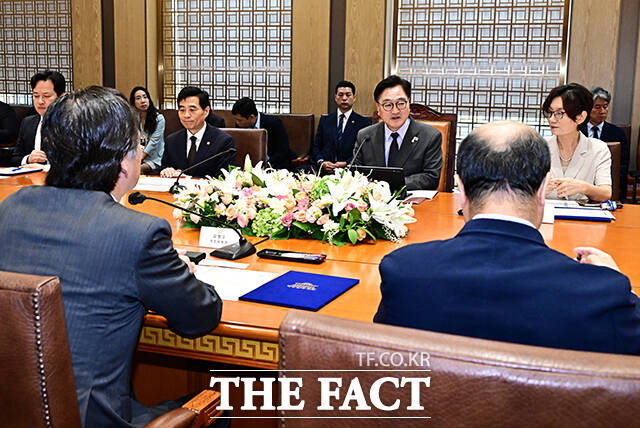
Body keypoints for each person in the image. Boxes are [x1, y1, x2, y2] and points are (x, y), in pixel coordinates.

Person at [0, 86, 224, 427]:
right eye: (138, 143)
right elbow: (200, 317)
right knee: (223, 405)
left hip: (12, 411)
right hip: (93, 419)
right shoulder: (138, 233)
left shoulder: (10, 208)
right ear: (123, 159)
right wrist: (183, 273)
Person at [374, 121, 640, 355]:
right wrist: (623, 289)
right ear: (543, 190)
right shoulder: (598, 292)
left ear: (461, 189)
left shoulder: (403, 270)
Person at [352, 75, 443, 190]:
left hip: (412, 199)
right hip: (374, 199)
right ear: (378, 108)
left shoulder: (430, 136)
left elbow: (431, 177)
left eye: (401, 103)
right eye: (388, 105)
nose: (395, 111)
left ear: (409, 103)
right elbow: (356, 173)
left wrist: (388, 186)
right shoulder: (365, 136)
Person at [543, 83, 612, 202]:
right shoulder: (538, 147)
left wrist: (583, 187)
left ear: (580, 117)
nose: (551, 119)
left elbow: (606, 193)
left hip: (582, 212)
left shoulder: (598, 149)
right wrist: (539, 190)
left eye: (559, 113)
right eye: (550, 112)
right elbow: (519, 193)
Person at [160, 86, 235, 178]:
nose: (186, 115)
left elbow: (223, 178)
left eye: (192, 110)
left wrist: (188, 179)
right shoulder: (172, 140)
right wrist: (166, 171)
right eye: (182, 110)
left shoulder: (223, 141)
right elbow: (163, 167)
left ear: (206, 111)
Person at [579, 87, 629, 201]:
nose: (602, 111)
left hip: (608, 184)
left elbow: (623, 165)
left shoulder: (618, 133)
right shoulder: (577, 130)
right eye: (597, 107)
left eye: (605, 106)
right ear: (588, 108)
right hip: (581, 183)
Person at [310, 80, 371, 174]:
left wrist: (346, 163)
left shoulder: (363, 122)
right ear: (335, 98)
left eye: (348, 95)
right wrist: (322, 162)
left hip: (349, 170)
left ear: (354, 98)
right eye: (341, 95)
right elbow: (316, 147)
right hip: (324, 168)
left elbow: (364, 151)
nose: (344, 98)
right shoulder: (325, 120)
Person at [11, 70, 66, 166]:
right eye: (36, 96)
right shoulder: (28, 123)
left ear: (61, 97)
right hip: (33, 175)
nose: (40, 101)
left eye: (46, 96)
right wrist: (28, 159)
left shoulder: (71, 124)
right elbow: (15, 158)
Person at [231, 96, 296, 170]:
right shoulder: (240, 125)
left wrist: (266, 166)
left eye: (239, 120)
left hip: (275, 165)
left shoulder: (274, 124)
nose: (237, 123)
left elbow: (283, 151)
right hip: (251, 166)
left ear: (251, 117)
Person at [129, 86, 165, 174]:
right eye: (138, 98)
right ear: (133, 102)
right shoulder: (132, 119)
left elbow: (154, 142)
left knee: (138, 170)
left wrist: (140, 158)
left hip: (155, 158)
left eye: (145, 97)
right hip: (138, 155)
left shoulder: (159, 119)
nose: (143, 101)